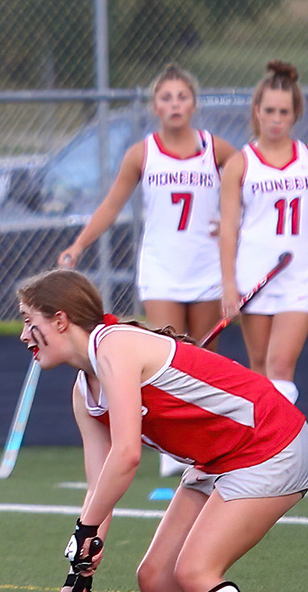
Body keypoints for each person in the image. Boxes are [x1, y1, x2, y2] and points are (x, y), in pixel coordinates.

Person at [18, 267, 308, 592]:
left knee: (195, 571)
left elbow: (127, 456)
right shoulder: (83, 392)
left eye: (31, 321)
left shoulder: (116, 346)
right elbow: (101, 486)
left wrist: (84, 531)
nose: (24, 335)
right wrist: (79, 576)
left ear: (61, 319)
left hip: (269, 444)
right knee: (157, 579)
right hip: (218, 459)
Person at [57, 63, 238, 478]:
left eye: (182, 97)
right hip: (161, 269)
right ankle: (172, 449)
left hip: (206, 266)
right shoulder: (143, 153)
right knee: (167, 354)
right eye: (166, 97)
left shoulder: (216, 149)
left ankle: (208, 445)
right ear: (155, 106)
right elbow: (111, 205)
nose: (174, 104)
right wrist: (78, 245)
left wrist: (237, 220)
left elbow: (252, 180)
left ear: (193, 103)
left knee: (204, 358)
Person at [218, 60, 308, 407]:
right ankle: (263, 439)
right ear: (257, 112)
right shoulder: (240, 163)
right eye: (269, 111)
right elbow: (228, 228)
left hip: (298, 275)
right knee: (259, 368)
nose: (276, 119)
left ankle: (283, 439)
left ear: (295, 114)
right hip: (254, 274)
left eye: (284, 112)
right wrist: (228, 284)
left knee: (280, 365)